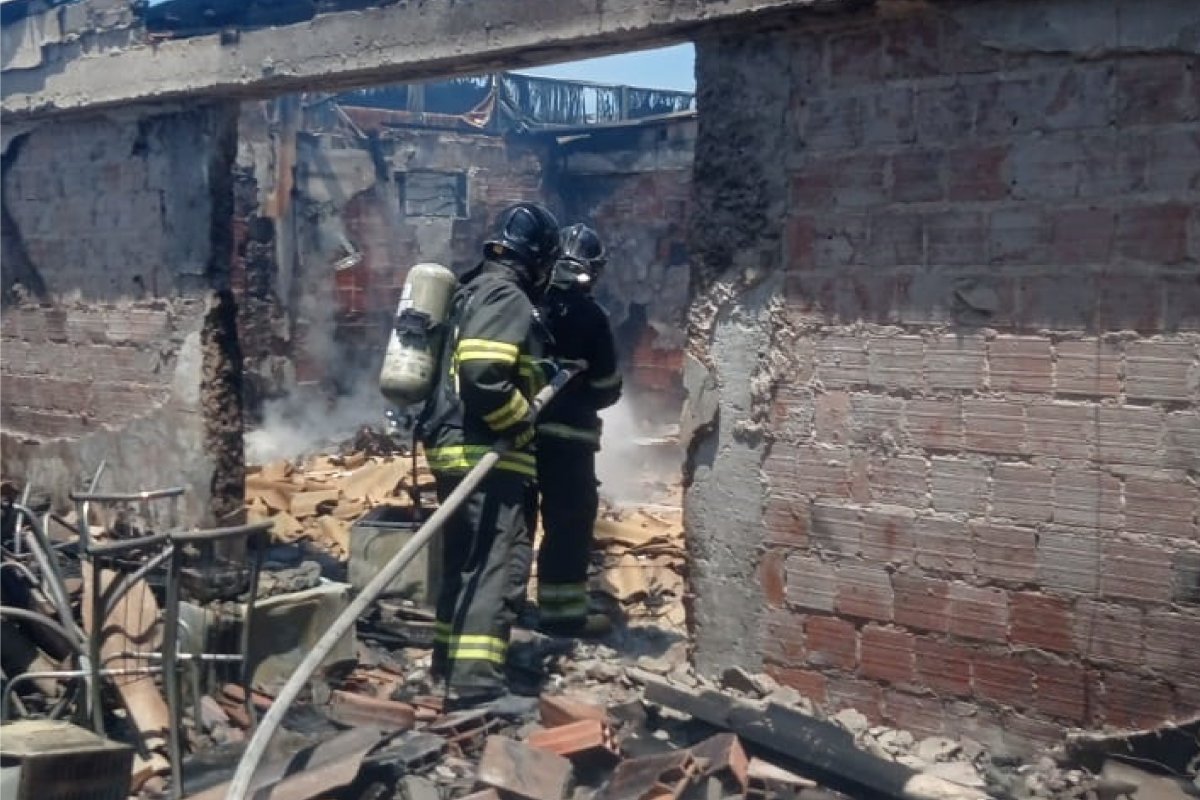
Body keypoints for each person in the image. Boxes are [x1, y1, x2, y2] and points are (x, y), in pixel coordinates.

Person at [419, 201, 560, 710]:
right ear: (539, 259)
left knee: (464, 563)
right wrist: (520, 420)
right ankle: (477, 685)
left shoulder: (470, 290)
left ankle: (449, 665)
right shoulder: (508, 296)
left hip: (454, 446)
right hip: (486, 454)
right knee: (495, 566)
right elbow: (483, 375)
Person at [534, 223, 623, 637]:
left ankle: (504, 609)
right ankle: (563, 615)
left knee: (512, 527)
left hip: (516, 437)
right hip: (570, 442)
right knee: (567, 525)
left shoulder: (525, 302)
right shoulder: (591, 315)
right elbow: (607, 388)